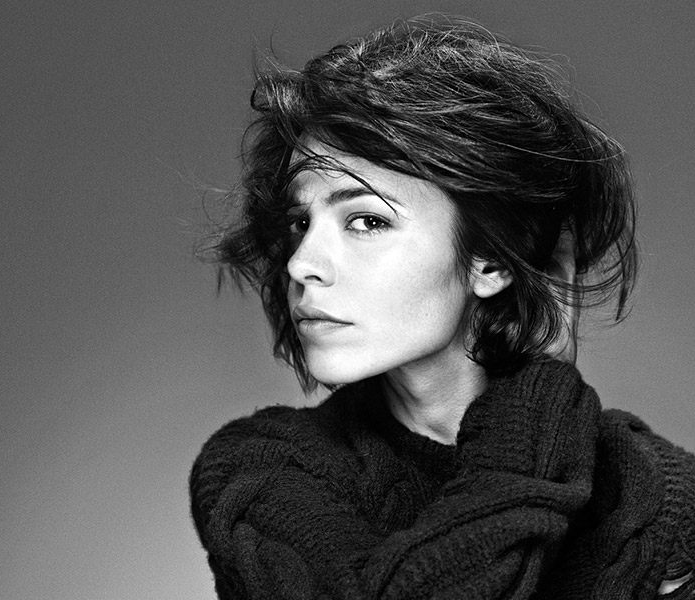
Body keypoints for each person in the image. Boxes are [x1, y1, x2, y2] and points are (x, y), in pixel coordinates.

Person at [190, 16, 695, 599]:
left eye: (366, 220)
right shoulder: (259, 472)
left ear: (492, 261)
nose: (302, 263)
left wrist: (542, 388)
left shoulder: (653, 494)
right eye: (301, 223)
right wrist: (543, 394)